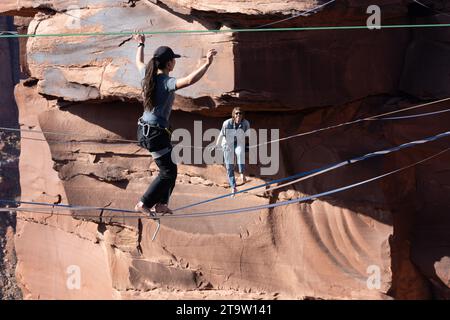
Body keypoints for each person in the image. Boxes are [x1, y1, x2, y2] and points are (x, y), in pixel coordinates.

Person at [133, 32, 217, 216]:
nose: (175, 62)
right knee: (167, 172)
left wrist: (141, 44)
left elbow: (139, 62)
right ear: (169, 63)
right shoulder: (165, 82)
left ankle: (162, 203)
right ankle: (143, 202)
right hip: (154, 134)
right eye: (174, 60)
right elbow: (189, 80)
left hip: (146, 131)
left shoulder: (147, 75)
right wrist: (207, 64)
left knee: (171, 167)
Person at [215, 107, 250, 195]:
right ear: (233, 115)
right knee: (229, 166)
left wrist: (247, 145)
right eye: (236, 113)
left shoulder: (245, 123)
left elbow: (247, 136)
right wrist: (216, 145)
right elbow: (221, 134)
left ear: (243, 115)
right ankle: (233, 187)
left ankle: (242, 173)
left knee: (240, 152)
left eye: (240, 113)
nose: (238, 115)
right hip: (227, 143)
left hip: (238, 141)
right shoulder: (227, 123)